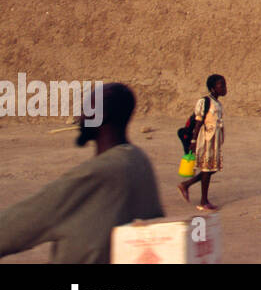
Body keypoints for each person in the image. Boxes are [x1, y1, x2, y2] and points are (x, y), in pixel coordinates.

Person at [0, 82, 165, 263]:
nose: (79, 117)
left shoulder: (99, 173)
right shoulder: (139, 160)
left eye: (86, 109)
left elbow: (17, 225)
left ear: (101, 115)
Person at [178, 74, 225, 210]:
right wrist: (193, 140)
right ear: (213, 88)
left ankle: (186, 185)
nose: (224, 88)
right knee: (207, 168)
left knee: (211, 168)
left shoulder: (217, 103)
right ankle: (203, 201)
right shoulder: (205, 102)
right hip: (205, 140)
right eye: (221, 85)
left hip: (214, 141)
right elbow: (198, 123)